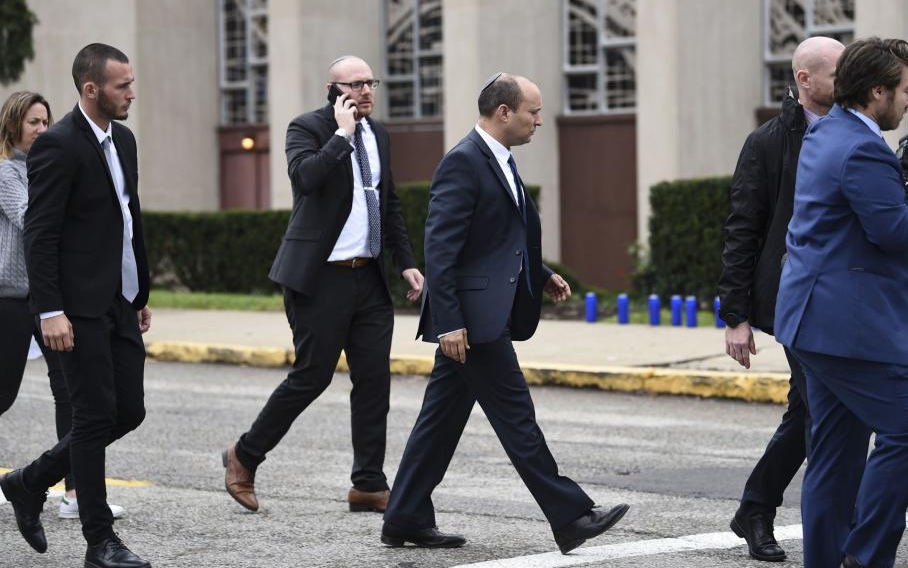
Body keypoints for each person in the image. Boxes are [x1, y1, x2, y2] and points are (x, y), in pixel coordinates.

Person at [381, 73, 628, 554]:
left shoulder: (499, 160)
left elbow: (496, 239)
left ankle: (404, 516)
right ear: (503, 113)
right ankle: (571, 515)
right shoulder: (463, 162)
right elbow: (443, 248)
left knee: (439, 421)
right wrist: (449, 320)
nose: (539, 120)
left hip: (481, 314)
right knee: (517, 417)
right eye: (533, 112)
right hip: (473, 321)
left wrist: (541, 271)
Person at [222, 55, 423, 515]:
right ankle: (244, 456)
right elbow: (306, 178)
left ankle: (369, 483)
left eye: (370, 82)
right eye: (354, 84)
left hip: (368, 277)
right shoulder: (305, 128)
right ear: (332, 91)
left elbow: (387, 203)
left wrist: (405, 263)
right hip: (320, 278)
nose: (366, 91)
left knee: (374, 381)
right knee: (312, 376)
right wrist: (342, 135)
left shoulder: (381, 134)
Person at [775, 37, 908, 567]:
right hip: (852, 330)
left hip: (814, 323)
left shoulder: (827, 131)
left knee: (835, 456)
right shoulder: (862, 146)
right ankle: (864, 557)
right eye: (905, 90)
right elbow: (893, 228)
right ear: (877, 92)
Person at [0, 43, 152, 568]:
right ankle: (99, 543)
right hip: (75, 308)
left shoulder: (125, 140)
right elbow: (40, 236)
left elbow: (128, 219)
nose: (131, 92)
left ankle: (30, 479)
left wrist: (140, 292)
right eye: (121, 85)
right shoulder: (58, 145)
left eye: (131, 82)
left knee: (128, 410)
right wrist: (49, 311)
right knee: (91, 418)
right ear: (91, 90)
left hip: (119, 300)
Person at [717, 36, 844, 561]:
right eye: (838, 74)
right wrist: (735, 316)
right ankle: (840, 524)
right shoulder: (768, 142)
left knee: (806, 407)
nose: (849, 83)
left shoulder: (851, 132)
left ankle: (755, 507)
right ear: (804, 80)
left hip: (837, 297)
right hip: (794, 299)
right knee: (819, 411)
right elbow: (743, 229)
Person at [0, 91, 126, 523]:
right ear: (13, 125)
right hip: (9, 296)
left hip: (48, 297)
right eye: (33, 122)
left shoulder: (50, 165)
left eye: (46, 121)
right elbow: (28, 216)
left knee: (71, 395)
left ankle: (76, 492)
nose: (42, 129)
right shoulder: (5, 172)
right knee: (2, 393)